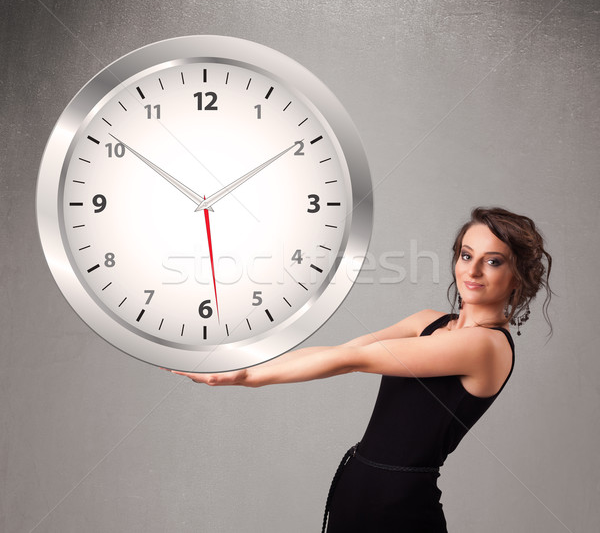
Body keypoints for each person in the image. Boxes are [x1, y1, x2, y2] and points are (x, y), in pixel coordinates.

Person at [169, 207, 552, 532]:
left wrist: (245, 376)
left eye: (494, 261)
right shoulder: (428, 321)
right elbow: (344, 349)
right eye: (467, 255)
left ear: (518, 274)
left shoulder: (485, 346)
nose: (474, 271)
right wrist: (244, 363)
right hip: (356, 488)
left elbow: (352, 361)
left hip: (401, 508)